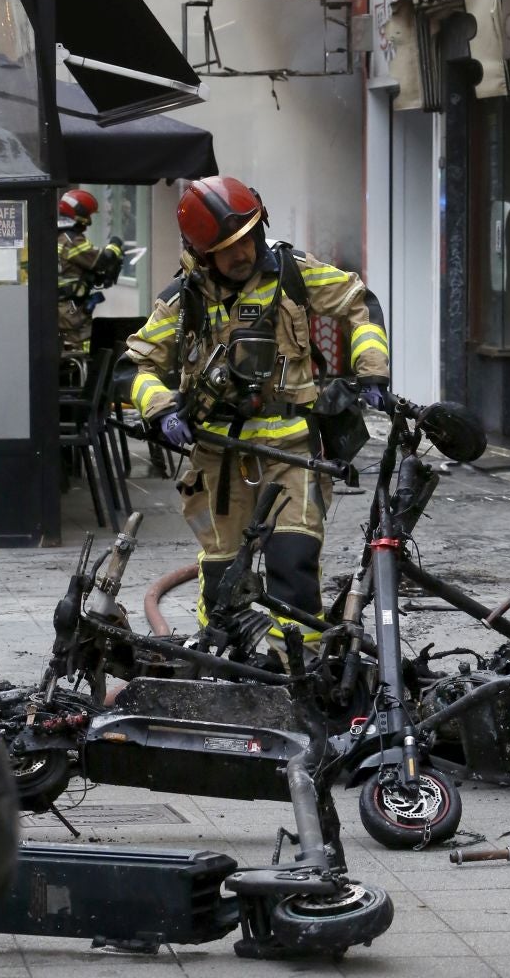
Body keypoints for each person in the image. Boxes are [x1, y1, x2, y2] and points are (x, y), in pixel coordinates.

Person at [117, 175, 388, 661]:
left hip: (292, 452)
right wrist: (160, 408)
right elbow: (134, 366)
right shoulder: (185, 299)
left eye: (247, 239)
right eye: (226, 250)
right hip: (220, 459)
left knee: (293, 561)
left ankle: (296, 668)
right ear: (203, 256)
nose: (242, 254)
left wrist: (372, 371)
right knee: (224, 571)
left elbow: (359, 303)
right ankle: (222, 665)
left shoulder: (293, 274)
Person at [56, 187, 125, 362]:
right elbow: (102, 260)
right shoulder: (72, 241)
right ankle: (82, 376)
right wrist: (115, 245)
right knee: (78, 350)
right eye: (88, 215)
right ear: (79, 214)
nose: (89, 221)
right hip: (71, 310)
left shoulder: (56, 236)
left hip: (60, 306)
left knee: (64, 350)